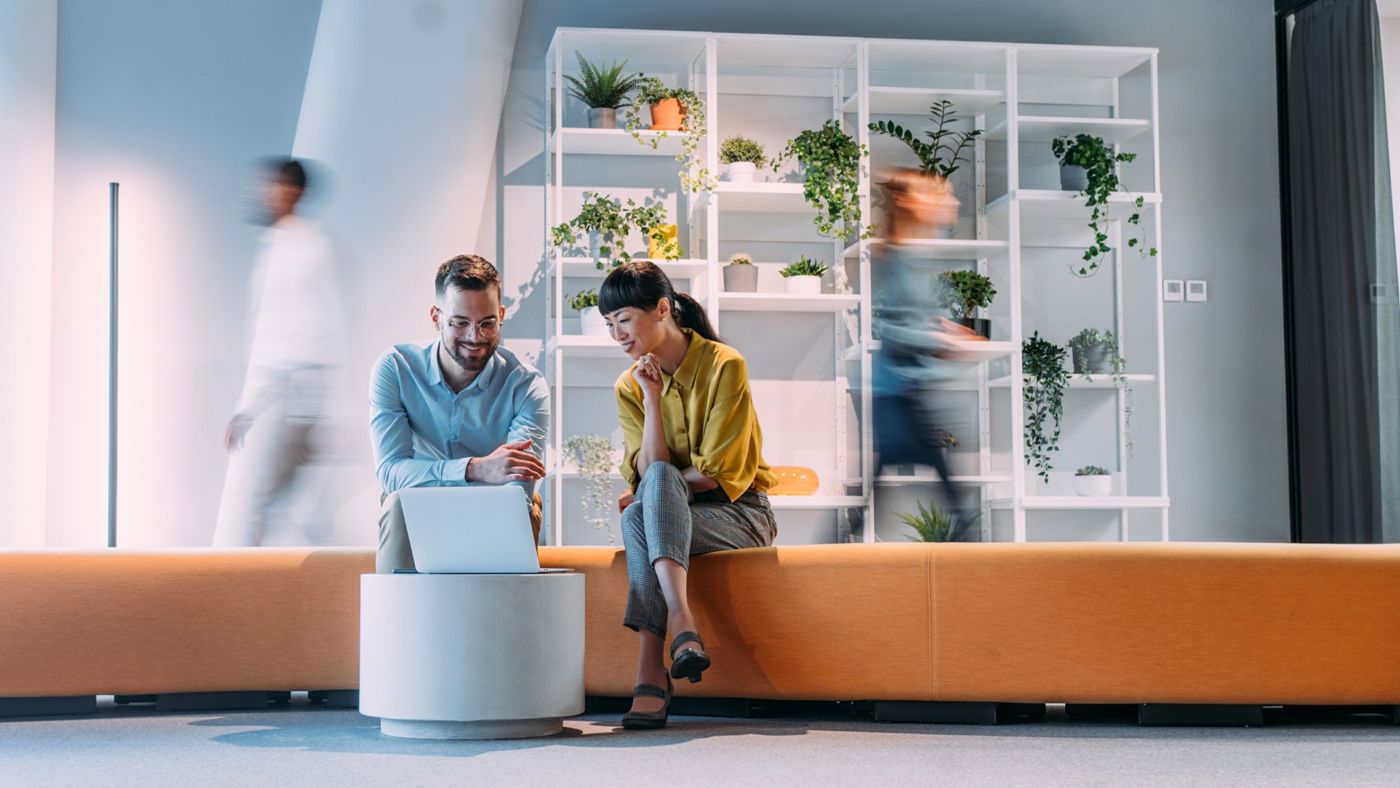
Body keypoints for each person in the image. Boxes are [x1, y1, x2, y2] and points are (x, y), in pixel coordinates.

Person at [600, 260, 778, 730]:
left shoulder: (724, 365)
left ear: (662, 309)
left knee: (645, 506)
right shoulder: (629, 385)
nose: (617, 333)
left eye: (624, 319)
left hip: (740, 515)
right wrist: (652, 400)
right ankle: (682, 633)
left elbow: (718, 475)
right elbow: (649, 470)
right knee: (650, 497)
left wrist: (658, 491)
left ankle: (650, 670)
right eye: (609, 324)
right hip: (679, 517)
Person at [370, 254, 549, 574]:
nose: (475, 337)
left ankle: (500, 619)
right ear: (436, 317)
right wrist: (474, 470)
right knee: (398, 503)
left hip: (497, 511)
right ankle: (398, 621)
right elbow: (392, 472)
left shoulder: (526, 384)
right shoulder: (396, 369)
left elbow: (515, 490)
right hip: (417, 508)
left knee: (520, 511)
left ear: (502, 316)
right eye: (460, 323)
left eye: (487, 323)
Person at [214, 157, 342, 547]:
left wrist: (250, 408)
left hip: (293, 391)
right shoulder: (289, 246)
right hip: (297, 391)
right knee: (289, 504)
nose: (266, 194)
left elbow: (288, 334)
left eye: (274, 186)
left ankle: (243, 591)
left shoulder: (300, 250)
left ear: (293, 192)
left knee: (258, 500)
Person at [872, 168, 984, 541]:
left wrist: (942, 329)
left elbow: (908, 317)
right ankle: (975, 554)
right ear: (907, 203)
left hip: (901, 393)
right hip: (902, 395)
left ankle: (834, 552)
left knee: (944, 487)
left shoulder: (908, 256)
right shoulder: (898, 258)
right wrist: (942, 343)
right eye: (939, 196)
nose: (950, 203)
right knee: (953, 493)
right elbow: (891, 328)